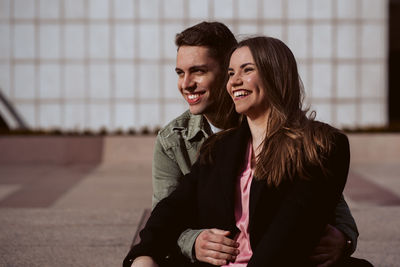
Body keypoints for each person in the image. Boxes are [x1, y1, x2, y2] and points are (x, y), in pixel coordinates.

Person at [124, 36, 371, 267]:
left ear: (275, 74)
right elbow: (171, 209)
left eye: (247, 70)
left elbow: (291, 234)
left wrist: (345, 236)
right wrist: (144, 255)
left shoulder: (322, 145)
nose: (234, 81)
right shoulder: (218, 148)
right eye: (231, 73)